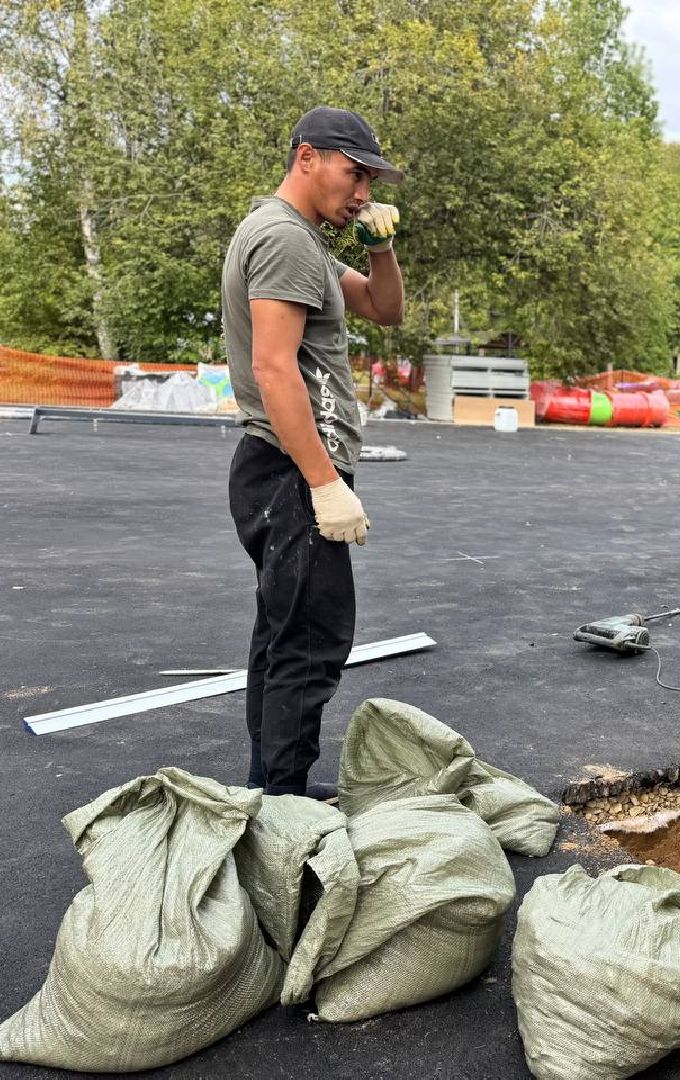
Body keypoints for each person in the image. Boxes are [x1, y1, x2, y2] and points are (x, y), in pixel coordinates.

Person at [221, 107, 405, 796]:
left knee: (282, 638)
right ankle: (284, 812)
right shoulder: (284, 239)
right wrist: (325, 483)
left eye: (369, 179)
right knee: (309, 645)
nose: (362, 192)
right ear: (307, 157)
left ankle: (272, 790)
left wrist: (380, 245)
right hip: (292, 472)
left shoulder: (303, 241)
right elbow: (274, 368)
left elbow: (384, 310)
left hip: (283, 471)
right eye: (354, 173)